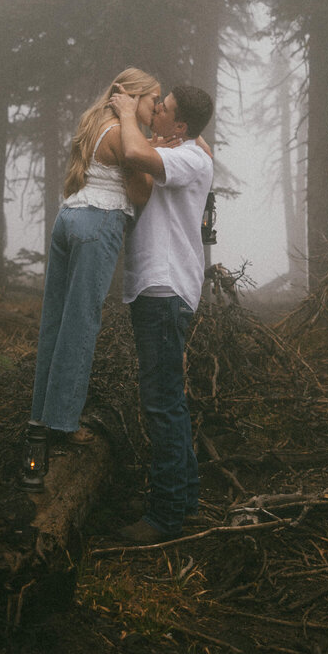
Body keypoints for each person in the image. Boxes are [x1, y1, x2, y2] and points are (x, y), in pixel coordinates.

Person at [22, 67, 162, 489]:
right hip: (99, 222)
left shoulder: (96, 121)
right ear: (132, 96)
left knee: (56, 320)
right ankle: (64, 423)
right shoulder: (122, 131)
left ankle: (40, 420)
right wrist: (155, 160)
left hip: (69, 218)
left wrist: (148, 139)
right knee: (82, 323)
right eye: (153, 101)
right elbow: (140, 193)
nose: (156, 110)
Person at [108, 84, 214, 543]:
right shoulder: (189, 148)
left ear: (182, 124)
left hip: (164, 286)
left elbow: (133, 152)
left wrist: (127, 112)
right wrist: (155, 128)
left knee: (161, 404)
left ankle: (165, 518)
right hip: (160, 287)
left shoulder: (190, 159)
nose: (156, 112)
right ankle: (183, 500)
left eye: (164, 109)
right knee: (169, 401)